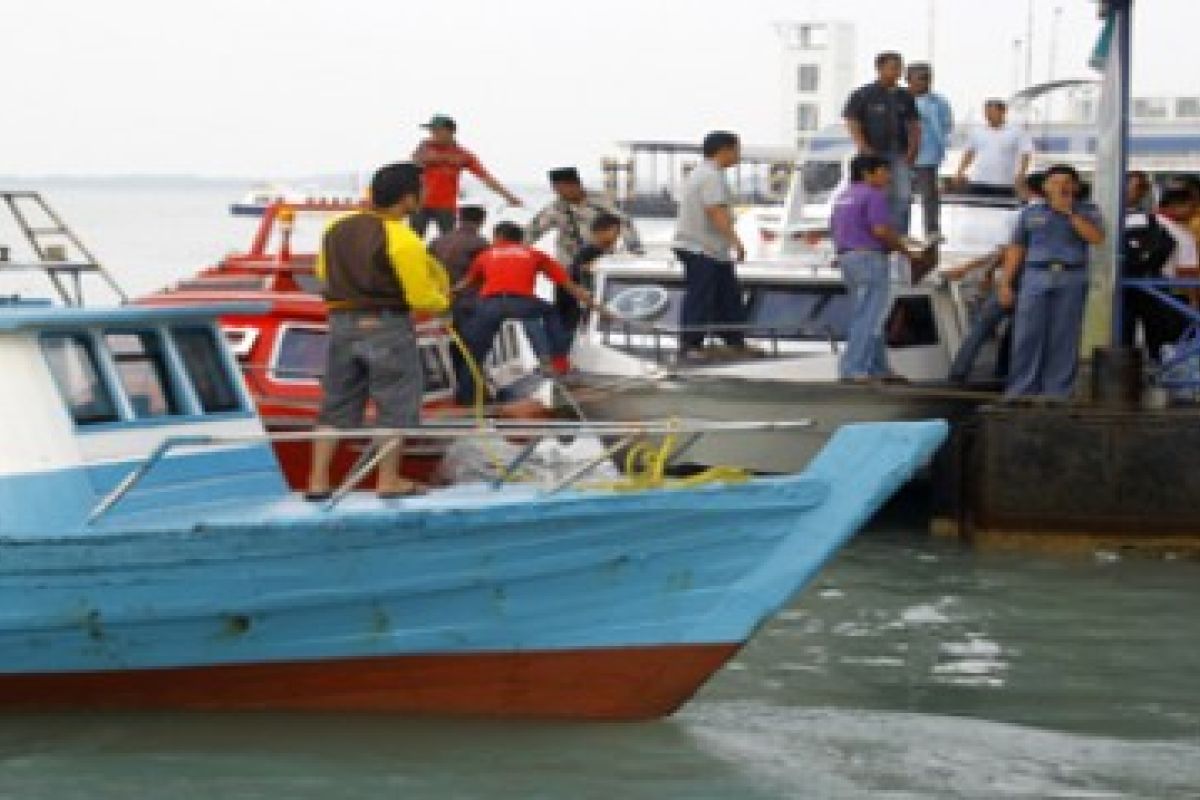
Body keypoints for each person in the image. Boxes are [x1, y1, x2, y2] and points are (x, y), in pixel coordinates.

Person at [307, 162, 451, 499]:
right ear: (406, 198)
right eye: (422, 190)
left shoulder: (335, 228)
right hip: (386, 325)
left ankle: (317, 481)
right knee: (395, 401)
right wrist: (443, 301)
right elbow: (419, 296)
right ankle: (388, 481)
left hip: (341, 324)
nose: (426, 196)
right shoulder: (404, 239)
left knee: (336, 403)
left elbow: (321, 272)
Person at [453, 222, 602, 404]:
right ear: (520, 239)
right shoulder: (535, 254)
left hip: (490, 304)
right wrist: (589, 300)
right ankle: (556, 357)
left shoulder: (485, 255)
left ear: (498, 237)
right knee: (550, 311)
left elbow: (465, 283)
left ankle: (466, 398)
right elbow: (567, 285)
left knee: (474, 354)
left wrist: (447, 293)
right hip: (522, 303)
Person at [1000, 164, 1105, 399]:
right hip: (1035, 274)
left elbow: (1096, 238)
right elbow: (1016, 248)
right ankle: (1021, 391)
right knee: (1027, 334)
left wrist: (1069, 213)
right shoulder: (1030, 213)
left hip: (1071, 274)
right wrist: (1006, 283)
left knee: (1064, 336)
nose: (1061, 187)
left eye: (1067, 182)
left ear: (1076, 186)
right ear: (1045, 187)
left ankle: (1057, 393)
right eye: (1055, 182)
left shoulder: (1088, 210)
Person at [945, 172, 1046, 384]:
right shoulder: (1053, 216)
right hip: (1037, 279)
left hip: (1014, 277)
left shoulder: (1019, 215)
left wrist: (986, 272)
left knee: (982, 326)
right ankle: (1006, 373)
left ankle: (959, 372)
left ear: (1027, 189)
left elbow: (1005, 251)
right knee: (1019, 329)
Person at [830, 154, 922, 383]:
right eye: (883, 170)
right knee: (869, 317)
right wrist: (904, 249)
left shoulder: (843, 196)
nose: (888, 176)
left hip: (847, 258)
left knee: (870, 315)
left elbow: (837, 229)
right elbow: (880, 230)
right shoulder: (873, 194)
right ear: (867, 173)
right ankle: (854, 369)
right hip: (870, 259)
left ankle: (878, 368)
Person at [671, 131, 756, 362]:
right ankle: (690, 344)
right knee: (700, 296)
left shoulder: (701, 173)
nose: (739, 155)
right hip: (701, 247)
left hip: (711, 249)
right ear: (725, 150)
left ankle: (734, 340)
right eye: (737, 150)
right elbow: (715, 210)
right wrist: (736, 241)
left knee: (728, 295)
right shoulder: (710, 176)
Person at [843, 52, 921, 233]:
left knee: (902, 197)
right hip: (873, 156)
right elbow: (852, 122)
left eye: (900, 67)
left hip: (900, 155)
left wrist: (913, 149)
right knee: (872, 196)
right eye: (893, 67)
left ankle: (900, 238)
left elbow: (914, 125)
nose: (898, 71)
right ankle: (868, 233)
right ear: (879, 69)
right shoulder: (863, 94)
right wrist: (863, 146)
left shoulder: (905, 96)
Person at [411, 115, 522, 238]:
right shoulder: (424, 147)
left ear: (451, 131)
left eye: (436, 130)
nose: (432, 134)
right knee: (413, 240)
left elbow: (486, 178)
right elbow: (415, 161)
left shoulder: (463, 155)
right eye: (431, 130)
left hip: (446, 207)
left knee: (449, 244)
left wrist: (509, 197)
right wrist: (444, 158)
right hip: (420, 204)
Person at [526, 167, 644, 265]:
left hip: (599, 264)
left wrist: (634, 250)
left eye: (561, 189)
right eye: (556, 190)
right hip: (568, 267)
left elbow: (624, 222)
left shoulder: (601, 201)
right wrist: (513, 251)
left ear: (575, 185)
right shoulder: (555, 208)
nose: (559, 193)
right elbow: (532, 231)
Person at [555, 212, 625, 344]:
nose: (618, 235)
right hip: (573, 312)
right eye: (615, 231)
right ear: (600, 231)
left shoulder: (604, 253)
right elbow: (583, 281)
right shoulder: (589, 252)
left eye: (618, 231)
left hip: (584, 310)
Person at [906, 62, 953, 239]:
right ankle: (901, 231)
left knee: (930, 196)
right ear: (908, 79)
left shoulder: (939, 101)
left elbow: (947, 125)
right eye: (920, 78)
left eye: (928, 78)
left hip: (927, 155)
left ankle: (932, 231)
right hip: (903, 157)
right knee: (902, 197)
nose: (925, 82)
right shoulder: (900, 98)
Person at [954, 100, 1034, 198]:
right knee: (975, 212)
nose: (988, 116)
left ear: (1004, 111)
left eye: (991, 112)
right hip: (978, 181)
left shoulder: (1018, 132)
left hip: (1005, 183)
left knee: (1004, 212)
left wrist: (1021, 173)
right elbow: (969, 153)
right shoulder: (977, 131)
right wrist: (960, 171)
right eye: (986, 112)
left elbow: (1026, 154)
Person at [429, 205, 490, 332]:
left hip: (438, 299)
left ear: (459, 219)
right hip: (467, 301)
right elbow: (486, 274)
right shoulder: (481, 243)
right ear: (481, 221)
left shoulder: (437, 241)